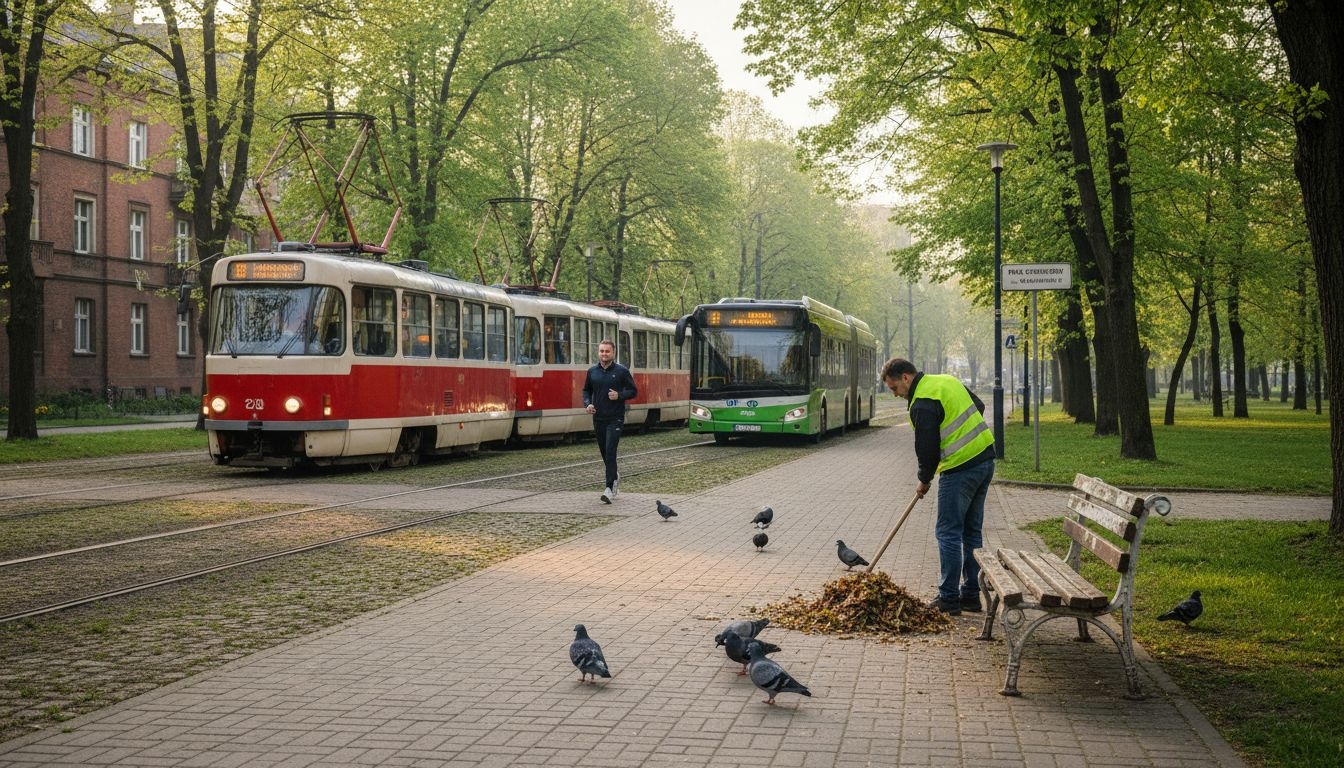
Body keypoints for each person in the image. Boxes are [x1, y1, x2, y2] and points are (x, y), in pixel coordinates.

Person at [881, 357, 995, 616]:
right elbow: (979, 405)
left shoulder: (922, 403)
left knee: (948, 533)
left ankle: (949, 598)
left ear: (906, 378)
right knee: (971, 533)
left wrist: (924, 480)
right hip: (985, 460)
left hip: (960, 469)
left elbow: (927, 449)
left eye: (894, 388)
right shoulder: (945, 380)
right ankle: (971, 596)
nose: (895, 394)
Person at [583, 339, 637, 503]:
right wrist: (588, 404)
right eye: (601, 351)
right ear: (598, 352)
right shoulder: (592, 371)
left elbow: (633, 391)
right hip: (598, 418)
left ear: (613, 353)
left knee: (610, 450)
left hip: (615, 418)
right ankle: (614, 476)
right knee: (604, 453)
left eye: (607, 351)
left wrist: (619, 396)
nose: (604, 354)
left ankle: (608, 488)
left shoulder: (621, 371)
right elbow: (586, 390)